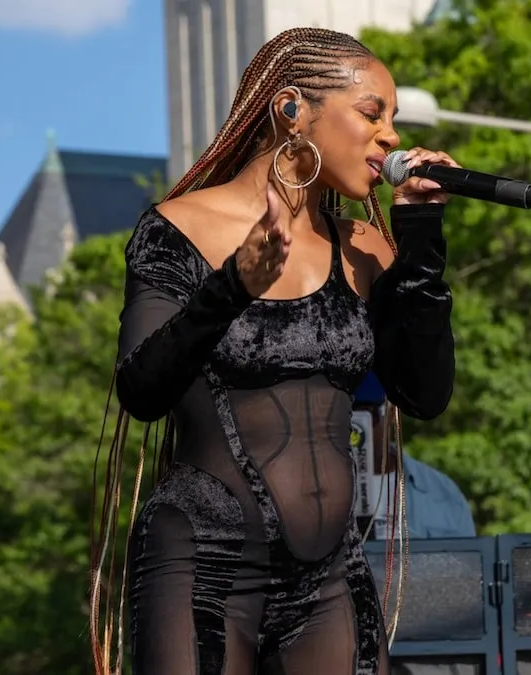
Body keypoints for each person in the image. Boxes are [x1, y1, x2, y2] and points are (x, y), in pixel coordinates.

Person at [91, 27, 458, 675]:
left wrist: (421, 235)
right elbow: (142, 388)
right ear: (291, 109)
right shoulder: (182, 227)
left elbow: (424, 393)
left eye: (394, 120)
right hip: (204, 564)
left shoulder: (365, 246)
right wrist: (233, 286)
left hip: (328, 579)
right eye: (373, 114)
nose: (393, 137)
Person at [351, 372, 476, 540]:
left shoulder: (442, 494)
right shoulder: (312, 494)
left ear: (390, 412)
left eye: (363, 415)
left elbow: (465, 564)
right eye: (342, 414)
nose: (352, 429)